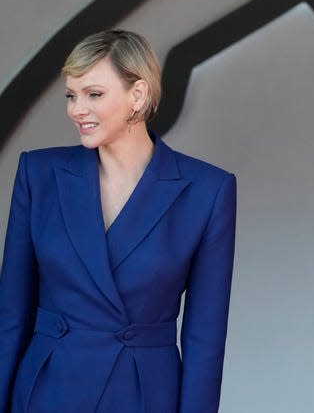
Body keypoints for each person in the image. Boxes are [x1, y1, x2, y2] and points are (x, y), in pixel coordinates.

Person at [0, 30, 236, 412]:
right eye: (71, 95)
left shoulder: (208, 190)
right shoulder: (38, 173)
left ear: (137, 95)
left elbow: (205, 338)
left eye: (94, 94)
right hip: (48, 390)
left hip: (142, 393)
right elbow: (10, 313)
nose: (77, 109)